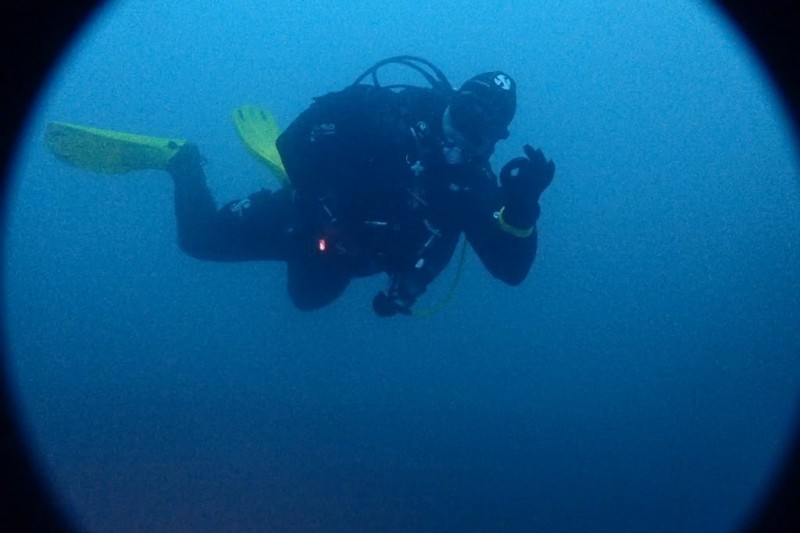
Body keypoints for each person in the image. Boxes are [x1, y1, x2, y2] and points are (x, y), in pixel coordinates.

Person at [166, 56, 556, 317]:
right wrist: (356, 122)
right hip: (299, 220)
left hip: (347, 259)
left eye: (484, 127)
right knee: (197, 240)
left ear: (498, 136)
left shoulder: (473, 186)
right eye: (467, 113)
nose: (464, 135)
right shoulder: (387, 111)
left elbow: (511, 271)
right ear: (452, 101)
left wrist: (523, 211)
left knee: (307, 300)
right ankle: (183, 159)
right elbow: (292, 141)